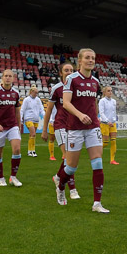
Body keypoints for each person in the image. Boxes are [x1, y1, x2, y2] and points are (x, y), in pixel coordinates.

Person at [53, 49, 108, 212]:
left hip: (92, 128)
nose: (90, 60)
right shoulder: (72, 79)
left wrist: (95, 117)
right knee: (70, 168)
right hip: (75, 129)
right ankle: (61, 186)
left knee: (97, 162)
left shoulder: (96, 82)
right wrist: (80, 115)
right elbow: (66, 103)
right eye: (87, 58)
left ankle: (97, 204)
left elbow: (93, 103)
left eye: (93, 58)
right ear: (80, 60)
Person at [42, 61, 81, 202]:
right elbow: (49, 110)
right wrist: (45, 129)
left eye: (71, 70)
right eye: (66, 70)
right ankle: (72, 189)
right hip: (60, 126)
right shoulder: (57, 89)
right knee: (68, 157)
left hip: (74, 126)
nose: (69, 72)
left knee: (71, 158)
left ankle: (58, 177)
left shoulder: (77, 87)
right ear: (61, 73)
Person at [0, 69, 23, 187]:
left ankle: (13, 177)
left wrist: (19, 125)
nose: (8, 78)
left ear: (13, 78)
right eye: (6, 76)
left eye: (10, 76)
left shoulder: (16, 93)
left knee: (17, 149)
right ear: (2, 77)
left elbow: (17, 111)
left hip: (12, 125)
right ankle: (0, 178)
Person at [20, 85, 43, 157]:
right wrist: (21, 119)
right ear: (31, 92)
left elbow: (41, 109)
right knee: (33, 134)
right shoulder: (26, 100)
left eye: (37, 93)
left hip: (36, 119)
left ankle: (29, 151)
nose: (36, 94)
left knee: (32, 135)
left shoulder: (38, 100)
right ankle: (33, 150)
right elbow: (22, 110)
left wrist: (45, 116)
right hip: (28, 119)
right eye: (35, 92)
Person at [98, 86, 119, 165]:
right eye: (108, 91)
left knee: (113, 141)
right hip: (104, 124)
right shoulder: (102, 101)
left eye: (111, 91)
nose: (110, 92)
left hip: (112, 123)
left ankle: (112, 160)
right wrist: (107, 121)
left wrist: (114, 120)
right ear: (104, 92)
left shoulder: (114, 101)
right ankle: (96, 152)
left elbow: (113, 112)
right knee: (105, 142)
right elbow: (101, 112)